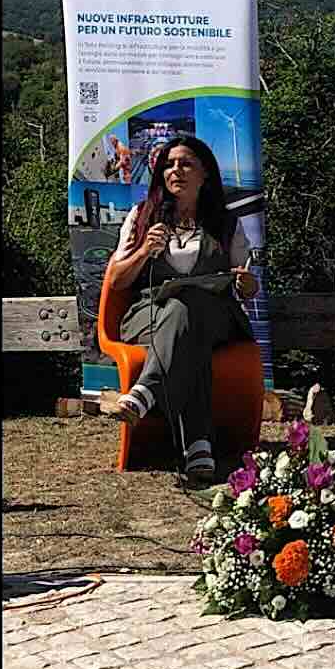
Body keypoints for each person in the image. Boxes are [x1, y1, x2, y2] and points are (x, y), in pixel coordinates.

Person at [105, 135, 259, 483]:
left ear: (205, 174)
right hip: (149, 315)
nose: (177, 170)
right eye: (170, 165)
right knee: (183, 319)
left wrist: (247, 285)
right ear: (161, 174)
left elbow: (246, 284)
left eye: (186, 163)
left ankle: (145, 393)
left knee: (190, 311)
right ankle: (198, 443)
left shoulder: (226, 223)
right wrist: (143, 251)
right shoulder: (141, 217)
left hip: (217, 316)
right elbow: (116, 280)